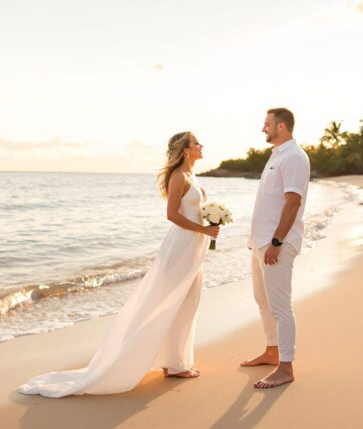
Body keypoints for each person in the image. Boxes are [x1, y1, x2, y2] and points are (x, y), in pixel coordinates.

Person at [18, 131, 218, 397]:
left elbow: (192, 211)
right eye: (196, 143)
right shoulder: (178, 176)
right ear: (185, 150)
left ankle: (174, 360)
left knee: (188, 301)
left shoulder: (192, 176)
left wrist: (209, 224)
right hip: (182, 245)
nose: (201, 146)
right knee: (171, 300)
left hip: (194, 245)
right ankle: (174, 364)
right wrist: (203, 230)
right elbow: (171, 215)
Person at [241, 108, 310, 389]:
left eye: (267, 124)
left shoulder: (294, 157)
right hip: (261, 242)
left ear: (281, 126)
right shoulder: (277, 155)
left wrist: (277, 242)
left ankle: (286, 367)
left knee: (280, 306)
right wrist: (256, 240)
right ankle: (272, 351)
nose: (263, 129)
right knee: (262, 300)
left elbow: (293, 202)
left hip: (277, 243)